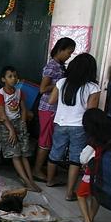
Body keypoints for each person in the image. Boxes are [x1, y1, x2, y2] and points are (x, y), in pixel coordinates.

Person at [47, 53, 100, 201]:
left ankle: (50, 181)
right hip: (79, 126)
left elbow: (51, 101)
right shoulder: (93, 87)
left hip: (60, 123)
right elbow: (91, 112)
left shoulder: (62, 82)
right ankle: (69, 193)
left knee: (55, 153)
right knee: (75, 159)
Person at [33, 37, 75, 182]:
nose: (70, 55)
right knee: (45, 140)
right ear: (60, 49)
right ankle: (37, 170)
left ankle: (42, 167)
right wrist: (60, 84)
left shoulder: (60, 66)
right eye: (69, 52)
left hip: (55, 109)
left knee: (49, 140)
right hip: (48, 108)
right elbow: (43, 89)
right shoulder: (52, 66)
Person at [0, 66, 40, 192]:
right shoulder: (0, 94)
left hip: (19, 122)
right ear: (3, 79)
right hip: (7, 125)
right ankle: (26, 181)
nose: (14, 78)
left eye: (15, 76)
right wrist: (11, 130)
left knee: (25, 153)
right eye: (10, 76)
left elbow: (23, 109)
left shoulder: (19, 92)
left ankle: (30, 180)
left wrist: (23, 122)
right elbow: (2, 116)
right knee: (16, 154)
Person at [77, 108, 111, 222]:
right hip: (105, 174)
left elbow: (83, 159)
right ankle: (91, 217)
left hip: (91, 174)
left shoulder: (92, 141)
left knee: (80, 195)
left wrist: (84, 163)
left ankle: (87, 221)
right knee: (96, 196)